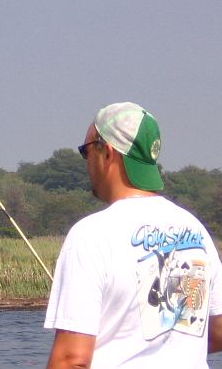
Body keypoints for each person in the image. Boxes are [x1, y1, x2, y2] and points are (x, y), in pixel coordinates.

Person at [44, 102, 222, 368]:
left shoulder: (90, 235)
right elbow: (218, 331)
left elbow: (71, 359)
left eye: (86, 151)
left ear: (107, 153)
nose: (86, 162)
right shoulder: (196, 230)